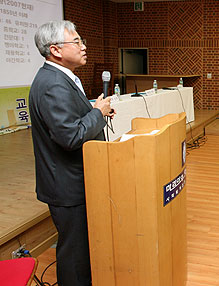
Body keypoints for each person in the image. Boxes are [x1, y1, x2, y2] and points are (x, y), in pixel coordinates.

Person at [29, 20, 114, 286]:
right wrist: (97, 113)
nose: (83, 46)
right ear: (55, 50)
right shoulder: (53, 83)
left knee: (80, 250)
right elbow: (70, 136)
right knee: (75, 255)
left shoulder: (61, 77)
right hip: (67, 185)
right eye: (76, 42)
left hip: (74, 180)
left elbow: (73, 122)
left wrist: (94, 112)